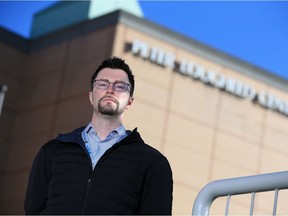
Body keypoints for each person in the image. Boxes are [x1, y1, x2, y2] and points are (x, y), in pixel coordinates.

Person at [24, 56, 173, 215]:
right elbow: (33, 210)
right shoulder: (52, 151)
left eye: (120, 86)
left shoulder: (153, 163)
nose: (110, 90)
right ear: (91, 96)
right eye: (102, 84)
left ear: (130, 101)